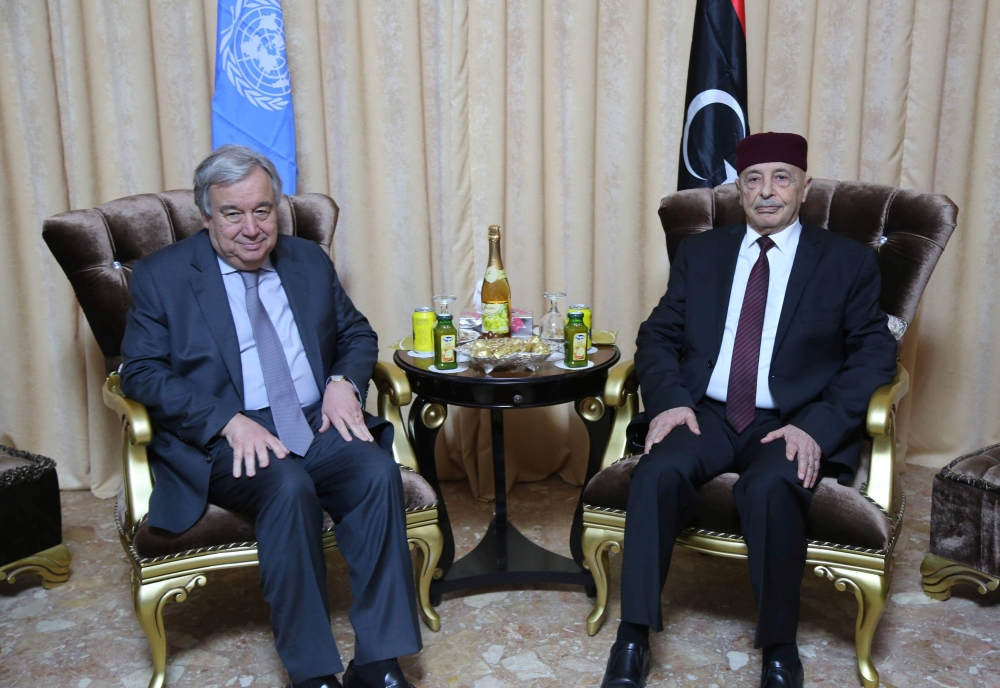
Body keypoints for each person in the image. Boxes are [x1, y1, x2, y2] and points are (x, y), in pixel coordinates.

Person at [600, 132, 898, 688]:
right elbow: (658, 335)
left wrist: (816, 426)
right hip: (704, 412)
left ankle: (779, 649)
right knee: (658, 471)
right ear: (739, 190)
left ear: (804, 188)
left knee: (768, 488)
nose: (767, 191)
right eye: (753, 179)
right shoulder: (703, 253)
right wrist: (668, 402)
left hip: (789, 420)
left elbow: (875, 356)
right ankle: (633, 637)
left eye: (781, 177)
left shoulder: (847, 262)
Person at [121, 145, 421, 688]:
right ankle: (312, 672)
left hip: (312, 419)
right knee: (286, 486)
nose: (251, 228)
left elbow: (356, 333)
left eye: (263, 210)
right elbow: (140, 371)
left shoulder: (306, 259)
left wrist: (340, 384)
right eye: (233, 213)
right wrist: (225, 420)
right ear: (206, 215)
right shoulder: (161, 276)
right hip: (226, 434)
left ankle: (379, 660)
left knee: (377, 472)